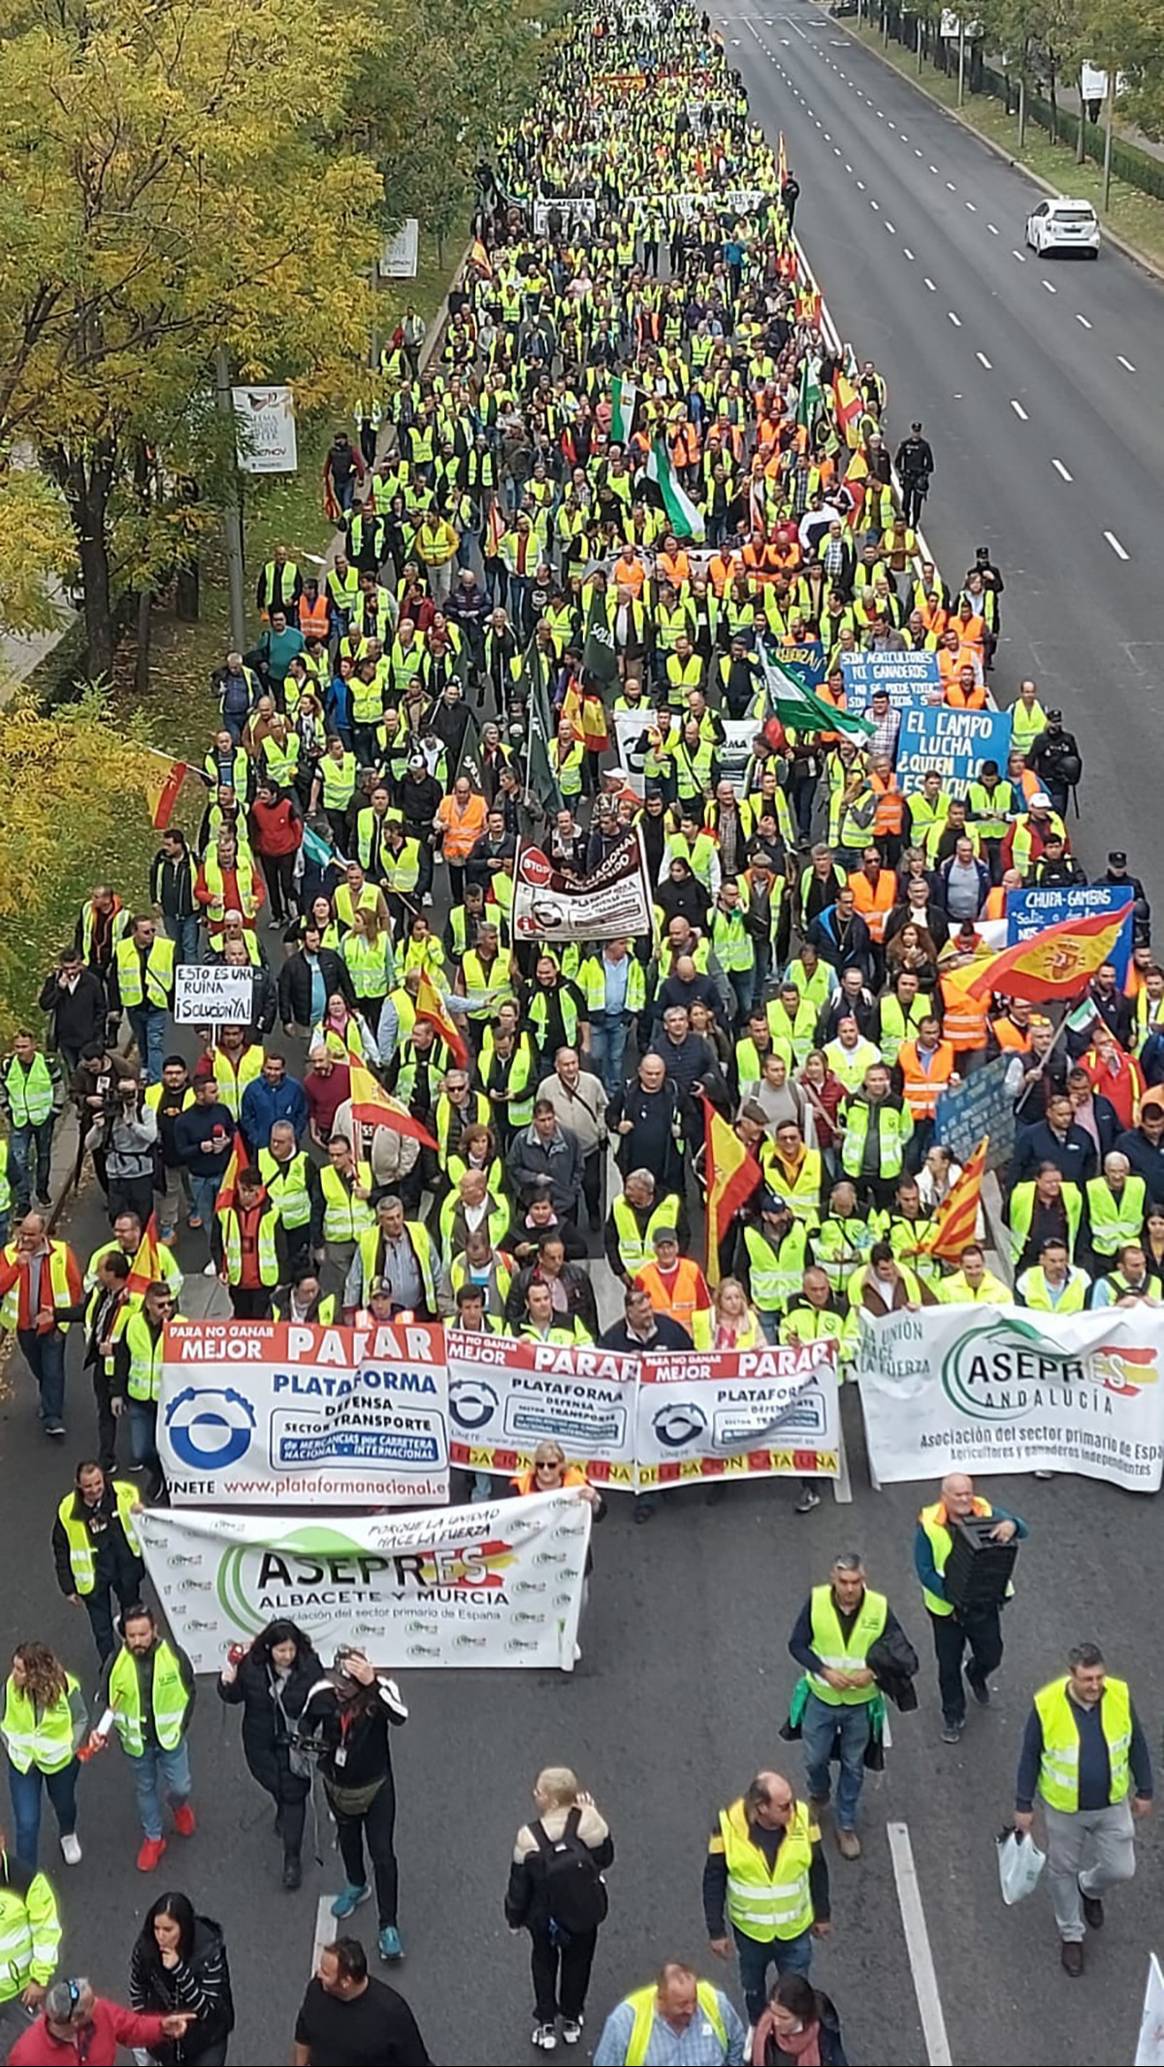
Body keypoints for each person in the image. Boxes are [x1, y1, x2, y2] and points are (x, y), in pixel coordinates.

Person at [1014, 1642, 1153, 1975]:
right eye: (1087, 1679)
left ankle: (1089, 1887)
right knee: (1062, 1870)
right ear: (1071, 1675)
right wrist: (1023, 1804)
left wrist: (1145, 1789)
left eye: (1099, 1678)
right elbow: (1029, 1755)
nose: (1095, 1686)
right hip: (1066, 1811)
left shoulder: (1118, 1695)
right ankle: (1071, 1935)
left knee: (1122, 1868)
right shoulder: (1046, 1704)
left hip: (1112, 1804)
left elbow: (1137, 1743)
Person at [788, 1552, 912, 1857]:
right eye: (843, 1582)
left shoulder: (879, 1608)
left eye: (855, 1582)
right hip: (822, 1699)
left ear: (863, 1580)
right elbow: (797, 1645)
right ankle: (819, 1794)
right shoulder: (816, 1602)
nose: (849, 1589)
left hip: (861, 1703)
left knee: (853, 1766)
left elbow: (900, 1650)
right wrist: (825, 1671)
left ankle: (845, 1824)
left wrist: (872, 1672)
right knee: (814, 1759)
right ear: (833, 1579)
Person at [299, 1649, 409, 1961]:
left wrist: (372, 1683)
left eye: (347, 1687)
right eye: (337, 1683)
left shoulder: (381, 1690)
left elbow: (400, 1716)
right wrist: (306, 1740)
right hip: (337, 1785)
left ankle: (389, 1925)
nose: (339, 1691)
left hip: (376, 1787)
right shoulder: (322, 1691)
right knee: (348, 1839)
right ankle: (356, 1884)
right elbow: (306, 1721)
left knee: (383, 1854)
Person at [704, 1771, 830, 2028]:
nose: (792, 1810)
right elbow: (713, 1879)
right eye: (784, 1806)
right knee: (753, 1989)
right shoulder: (726, 1826)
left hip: (795, 1931)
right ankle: (758, 2031)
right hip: (752, 1935)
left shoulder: (804, 1819)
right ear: (761, 1807)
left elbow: (818, 1868)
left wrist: (823, 1914)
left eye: (792, 1802)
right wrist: (716, 1931)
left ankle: (793, 2037)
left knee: (795, 1995)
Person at [505, 1766, 613, 2052]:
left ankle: (546, 2022)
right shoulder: (588, 1821)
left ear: (551, 1800)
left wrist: (514, 1918)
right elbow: (605, 1857)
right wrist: (594, 1814)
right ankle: (571, 2018)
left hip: (544, 1917)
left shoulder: (528, 1837)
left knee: (543, 1962)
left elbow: (519, 1884)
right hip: (582, 1912)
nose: (535, 1794)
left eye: (539, 1791)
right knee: (579, 1963)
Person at [915, 1474, 1028, 1743]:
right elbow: (925, 1571)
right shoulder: (929, 1526)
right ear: (945, 1497)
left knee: (992, 1653)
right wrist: (954, 1595)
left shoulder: (987, 1511)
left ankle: (976, 1672)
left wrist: (1012, 1525)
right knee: (948, 1666)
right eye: (958, 1495)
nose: (966, 1499)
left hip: (984, 1605)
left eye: (968, 1493)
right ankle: (953, 1716)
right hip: (947, 1612)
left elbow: (1023, 1529)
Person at [217, 1619, 324, 1890]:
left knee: (294, 1795)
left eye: (291, 1650)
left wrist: (309, 1732)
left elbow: (321, 1702)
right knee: (273, 1785)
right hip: (259, 1740)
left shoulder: (310, 1667)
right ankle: (280, 1806)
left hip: (294, 1744)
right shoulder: (252, 1667)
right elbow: (235, 1696)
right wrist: (227, 1683)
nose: (287, 1656)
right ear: (269, 1649)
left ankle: (292, 1859)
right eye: (281, 1651)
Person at [90, 1603, 196, 1872]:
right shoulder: (115, 1663)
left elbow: (189, 1690)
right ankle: (154, 1838)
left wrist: (181, 1726)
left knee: (181, 1786)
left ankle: (178, 1805)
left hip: (170, 1739)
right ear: (124, 1635)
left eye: (143, 1634)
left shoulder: (173, 1655)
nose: (137, 1641)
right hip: (137, 1744)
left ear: (154, 1631)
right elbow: (106, 1702)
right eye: (132, 1635)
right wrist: (98, 1732)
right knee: (145, 1789)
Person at [0, 1644, 86, 1872]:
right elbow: (3, 1719)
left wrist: (70, 1747)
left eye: (19, 1669)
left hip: (60, 1763)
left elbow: (81, 1718)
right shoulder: (10, 1688)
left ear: (35, 1674)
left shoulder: (66, 1687)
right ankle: (26, 1880)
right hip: (24, 1764)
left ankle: (67, 1833)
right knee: (26, 1824)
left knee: (64, 1804)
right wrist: (10, 1747)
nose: (13, 1674)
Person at [52, 1459, 145, 1663]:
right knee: (102, 1631)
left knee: (134, 1618)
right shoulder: (67, 1510)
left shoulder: (125, 1494)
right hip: (94, 1578)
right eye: (88, 1486)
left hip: (124, 1568)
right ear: (77, 1484)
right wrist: (68, 1587)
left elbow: (149, 1522)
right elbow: (61, 1548)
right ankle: (110, 1672)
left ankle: (139, 1660)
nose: (95, 1490)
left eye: (98, 1483)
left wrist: (142, 1512)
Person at [0, 1212, 82, 1437]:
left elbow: (75, 1287)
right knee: (39, 1367)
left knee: (53, 1369)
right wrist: (16, 1266)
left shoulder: (61, 1253)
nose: (25, 1239)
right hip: (25, 1326)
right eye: (22, 1233)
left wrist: (62, 1319)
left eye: (31, 1234)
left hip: (53, 1325)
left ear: (43, 1234)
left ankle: (53, 1417)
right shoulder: (9, 1254)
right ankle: (49, 1396)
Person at [129, 1891, 235, 2066]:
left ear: (183, 1928)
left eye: (168, 1929)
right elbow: (137, 1986)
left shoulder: (208, 1953)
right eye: (157, 1928)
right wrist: (145, 2023)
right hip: (165, 2034)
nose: (160, 1936)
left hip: (206, 2037)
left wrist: (179, 1970)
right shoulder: (145, 1948)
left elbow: (206, 2010)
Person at [293, 1937, 431, 2067]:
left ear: (346, 1981)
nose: (318, 1974)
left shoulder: (392, 2013)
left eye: (325, 1972)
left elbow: (416, 2062)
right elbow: (303, 2033)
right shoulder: (316, 1990)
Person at [7, 1975, 190, 2067]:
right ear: (75, 2020)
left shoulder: (101, 2013)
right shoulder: (26, 2057)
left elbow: (131, 2027)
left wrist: (161, 2027)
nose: (98, 2004)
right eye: (91, 2003)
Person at [592, 1961, 746, 2067]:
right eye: (682, 2004)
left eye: (694, 2000)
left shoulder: (716, 2003)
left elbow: (737, 2042)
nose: (691, 2010)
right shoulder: (624, 2023)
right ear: (661, 1998)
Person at [0, 1824, 61, 2043]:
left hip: (22, 1989)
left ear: (1, 1841)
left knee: (45, 2043)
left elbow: (46, 1931)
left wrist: (39, 1979)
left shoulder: (28, 1881)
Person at [1, 1033, 66, 1212]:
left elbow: (59, 1087)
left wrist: (55, 1110)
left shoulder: (47, 1064)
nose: (20, 1051)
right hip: (19, 1119)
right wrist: (7, 1108)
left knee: (43, 1156)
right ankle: (24, 1201)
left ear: (34, 1046)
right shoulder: (7, 1066)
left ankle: (42, 1191)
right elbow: (2, 1089)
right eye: (17, 1047)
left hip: (44, 1118)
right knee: (18, 1159)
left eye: (24, 1046)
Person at [750, 1973, 849, 2066]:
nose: (775, 2022)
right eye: (773, 2013)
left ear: (802, 2015)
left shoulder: (824, 2041)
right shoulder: (764, 2031)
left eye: (784, 2017)